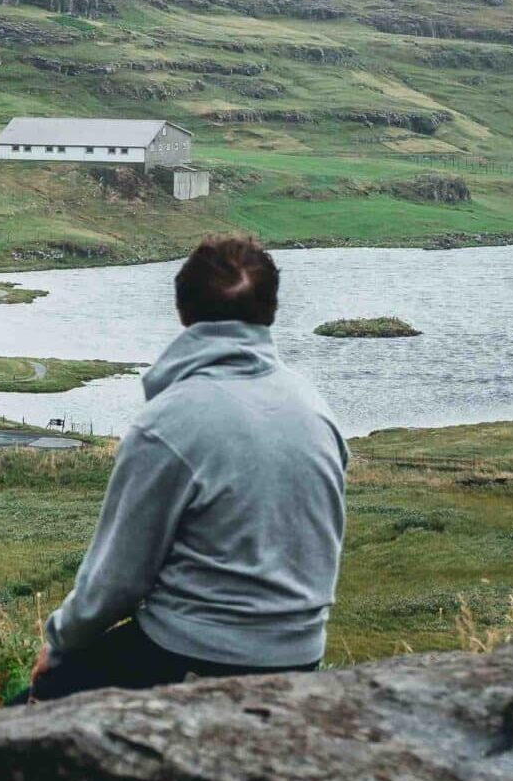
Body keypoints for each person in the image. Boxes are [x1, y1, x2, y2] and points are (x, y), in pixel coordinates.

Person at [21, 235, 348, 702]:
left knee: (31, 705)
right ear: (270, 311)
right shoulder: (315, 409)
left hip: (193, 655)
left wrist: (59, 644)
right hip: (300, 656)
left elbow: (115, 582)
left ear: (183, 312)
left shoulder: (167, 423)